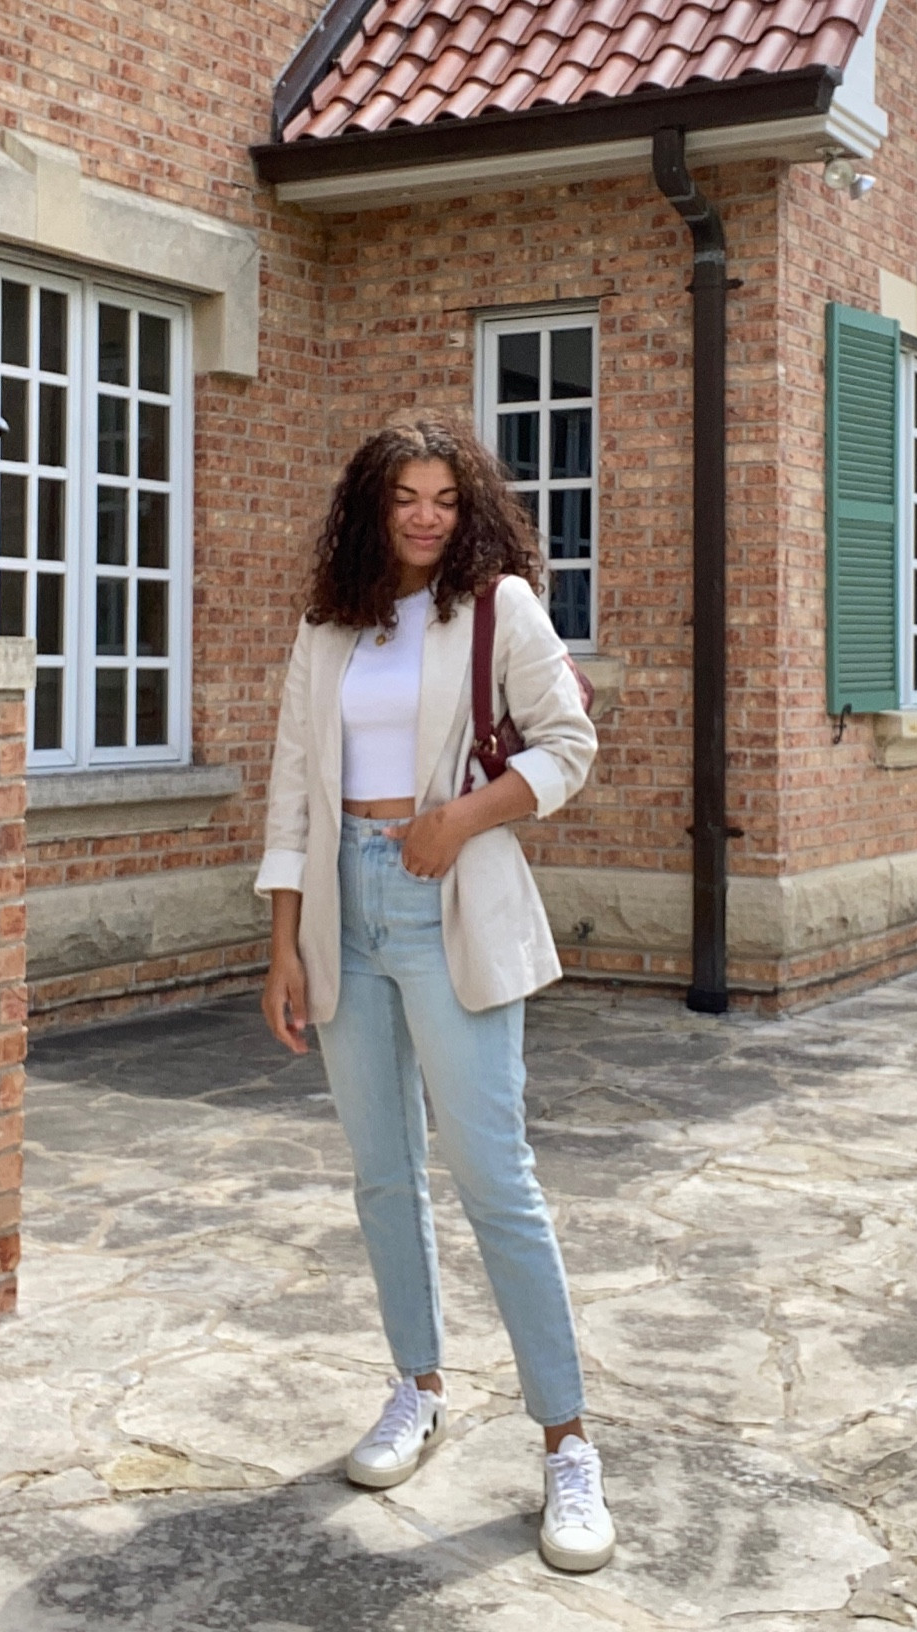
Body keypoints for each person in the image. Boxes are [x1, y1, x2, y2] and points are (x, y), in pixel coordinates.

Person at [257, 411, 615, 1573]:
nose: (424, 515)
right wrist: (284, 943)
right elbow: (292, 792)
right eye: (404, 496)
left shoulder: (499, 607)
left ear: (471, 512)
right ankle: (417, 1383)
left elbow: (568, 743)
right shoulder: (327, 628)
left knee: (493, 1174)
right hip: (339, 909)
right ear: (371, 506)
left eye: (445, 498)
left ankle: (566, 1441)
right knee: (380, 1171)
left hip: (450, 898)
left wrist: (460, 817)